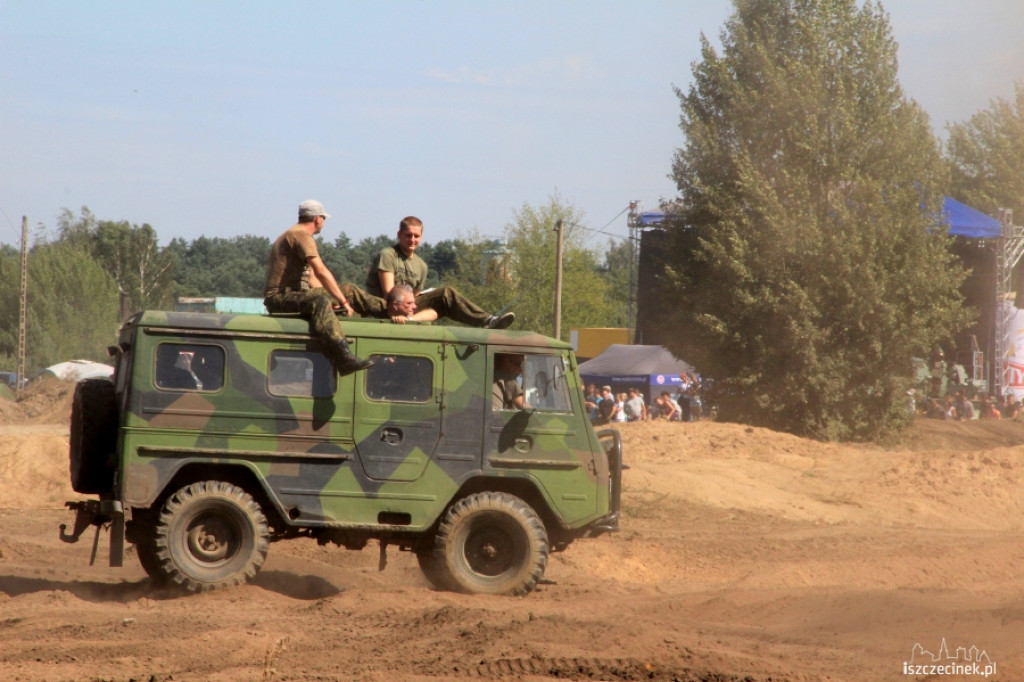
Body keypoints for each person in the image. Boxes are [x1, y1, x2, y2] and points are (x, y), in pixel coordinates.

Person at [342, 216, 515, 329]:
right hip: (385, 305)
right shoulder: (389, 255)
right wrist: (404, 310)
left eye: (416, 236)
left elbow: (415, 299)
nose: (412, 240)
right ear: (399, 235)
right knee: (445, 294)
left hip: (406, 306)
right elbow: (390, 295)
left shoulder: (421, 265)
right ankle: (486, 320)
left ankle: (487, 321)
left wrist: (412, 315)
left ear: (422, 237)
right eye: (408, 235)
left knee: (442, 299)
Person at [263, 200, 373, 376]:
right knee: (320, 301)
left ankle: (386, 308)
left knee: (347, 290)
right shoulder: (301, 235)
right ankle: (342, 356)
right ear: (318, 219)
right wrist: (342, 302)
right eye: (323, 218)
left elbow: (312, 277)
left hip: (295, 294)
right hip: (280, 298)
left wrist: (337, 298)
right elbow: (320, 271)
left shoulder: (295, 235)